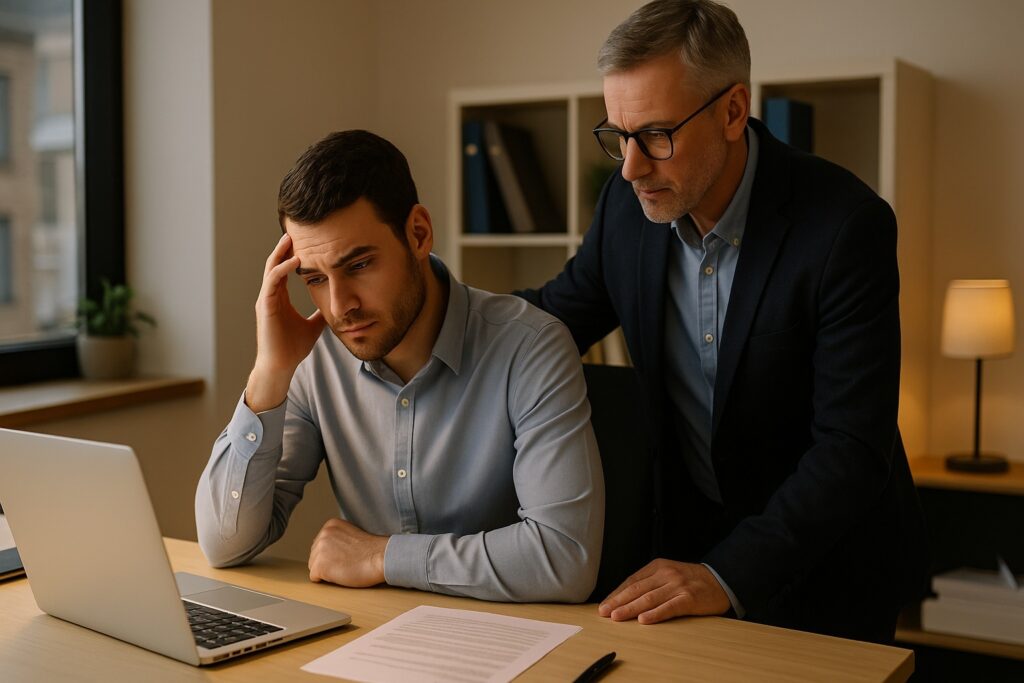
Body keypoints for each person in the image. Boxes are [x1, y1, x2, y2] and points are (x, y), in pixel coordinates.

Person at [520, 0, 927, 641]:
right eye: (618, 135)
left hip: (829, 570)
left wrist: (726, 574)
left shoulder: (846, 226)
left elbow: (850, 448)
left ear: (733, 111)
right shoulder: (626, 207)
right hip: (684, 554)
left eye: (656, 134)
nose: (630, 167)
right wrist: (425, 302)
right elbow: (551, 319)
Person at [196, 130, 604, 603]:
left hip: (511, 634)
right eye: (315, 279)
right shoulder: (315, 358)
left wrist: (381, 557)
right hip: (374, 633)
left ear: (418, 233)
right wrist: (269, 374)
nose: (340, 306)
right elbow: (225, 545)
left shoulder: (530, 347)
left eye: (359, 265)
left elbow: (564, 558)